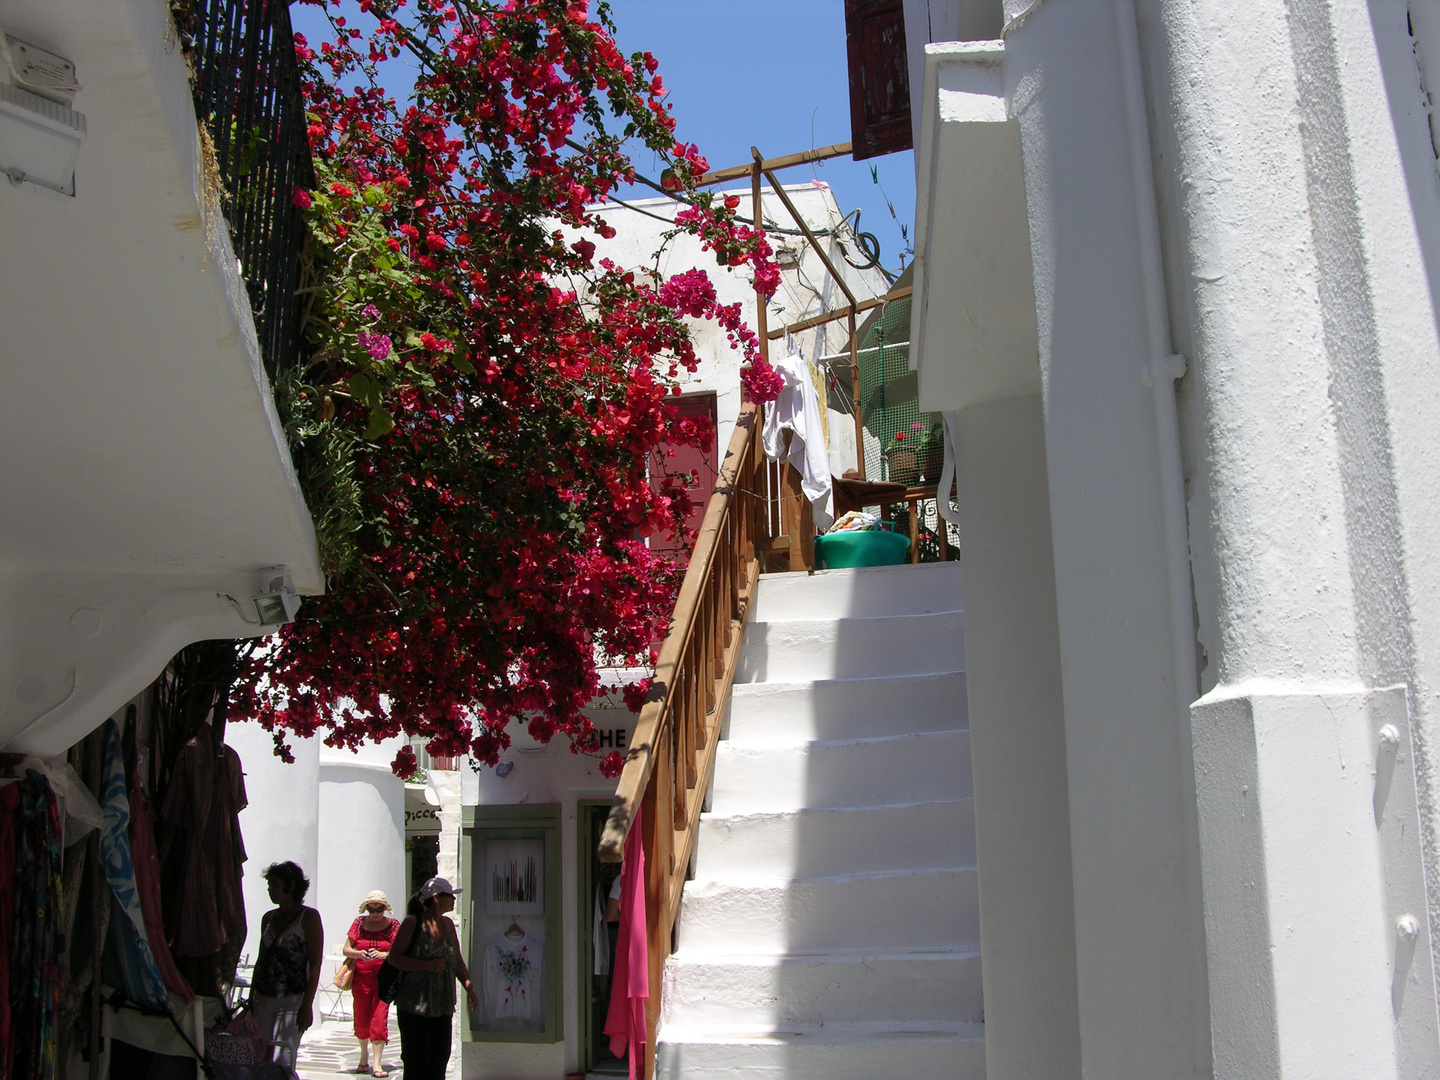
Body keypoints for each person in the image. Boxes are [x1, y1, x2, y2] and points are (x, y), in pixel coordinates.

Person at [387, 876, 478, 1080]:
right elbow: (394, 958)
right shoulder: (413, 923)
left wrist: (469, 986)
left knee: (439, 1060)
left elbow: (456, 960)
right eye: (450, 896)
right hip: (414, 1006)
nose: (453, 900)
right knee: (417, 1061)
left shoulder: (447, 925)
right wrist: (426, 965)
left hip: (441, 1005)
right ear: (436, 898)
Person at [250, 862, 323, 1073]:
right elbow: (261, 959)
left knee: (284, 1058)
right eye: (269, 885)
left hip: (292, 999)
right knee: (260, 1057)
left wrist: (307, 1004)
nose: (270, 890)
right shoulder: (268, 918)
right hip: (263, 997)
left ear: (290, 887)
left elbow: (315, 964)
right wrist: (251, 997)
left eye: (275, 884)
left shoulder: (308, 917)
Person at [344, 890, 399, 1076]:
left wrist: (384, 955)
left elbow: (401, 951)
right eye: (371, 909)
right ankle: (363, 1056)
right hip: (361, 980)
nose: (375, 914)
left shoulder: (393, 927)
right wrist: (360, 954)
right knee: (360, 1019)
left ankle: (377, 1063)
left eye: (379, 909)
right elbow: (346, 949)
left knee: (379, 1020)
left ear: (385, 909)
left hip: (383, 981)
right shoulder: (359, 924)